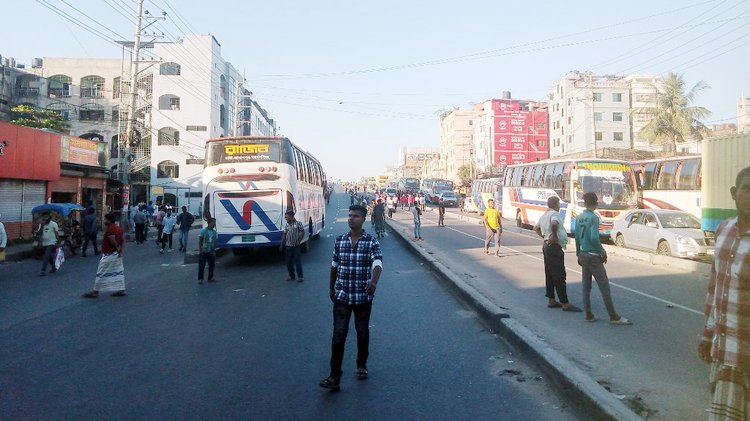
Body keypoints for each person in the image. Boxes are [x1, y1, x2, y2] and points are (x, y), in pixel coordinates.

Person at [699, 166, 750, 419]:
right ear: (734, 193)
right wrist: (707, 336)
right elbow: (715, 289)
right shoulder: (723, 231)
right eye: (747, 189)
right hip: (725, 352)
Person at [320, 205, 383, 391]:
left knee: (362, 332)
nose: (351, 219)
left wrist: (374, 281)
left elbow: (378, 263)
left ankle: (361, 365)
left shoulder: (371, 242)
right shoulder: (340, 241)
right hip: (342, 296)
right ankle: (334, 376)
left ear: (363, 219)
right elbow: (334, 266)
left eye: (355, 216)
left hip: (363, 297)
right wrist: (331, 288)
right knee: (338, 336)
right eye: (349, 216)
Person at [574, 192, 631, 325]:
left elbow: (577, 237)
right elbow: (594, 237)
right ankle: (613, 316)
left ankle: (588, 314)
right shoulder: (594, 217)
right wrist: (603, 251)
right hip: (593, 256)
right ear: (596, 202)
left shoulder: (579, 217)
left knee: (586, 286)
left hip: (583, 254)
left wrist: (578, 253)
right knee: (604, 286)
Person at [534, 196, 580, 312]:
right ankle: (564, 302)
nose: (559, 206)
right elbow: (554, 223)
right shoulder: (554, 214)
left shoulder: (544, 215)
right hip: (554, 247)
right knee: (559, 275)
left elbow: (536, 228)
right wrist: (553, 236)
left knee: (549, 273)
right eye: (559, 204)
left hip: (546, 246)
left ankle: (551, 299)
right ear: (556, 205)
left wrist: (545, 237)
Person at [83, 213, 126, 298]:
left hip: (110, 254)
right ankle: (121, 289)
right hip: (116, 254)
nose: (104, 221)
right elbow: (122, 239)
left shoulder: (111, 228)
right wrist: (121, 249)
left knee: (101, 271)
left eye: (105, 219)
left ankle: (95, 291)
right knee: (118, 272)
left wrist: (117, 247)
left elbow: (112, 239)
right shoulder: (118, 228)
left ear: (109, 220)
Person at [279, 210, 305, 282]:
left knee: (297, 261)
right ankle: (291, 276)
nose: (286, 218)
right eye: (285, 217)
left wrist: (299, 240)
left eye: (287, 217)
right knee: (288, 262)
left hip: (296, 246)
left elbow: (302, 232)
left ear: (292, 217)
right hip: (288, 246)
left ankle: (300, 277)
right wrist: (281, 244)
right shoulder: (287, 225)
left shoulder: (298, 224)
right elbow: (284, 234)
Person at [198, 218, 218, 284]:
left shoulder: (214, 232)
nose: (214, 224)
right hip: (204, 251)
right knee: (201, 266)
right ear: (209, 223)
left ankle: (210, 277)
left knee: (212, 265)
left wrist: (214, 251)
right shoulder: (203, 231)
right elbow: (200, 241)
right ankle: (200, 279)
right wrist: (200, 250)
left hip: (211, 251)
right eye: (213, 222)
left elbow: (215, 242)